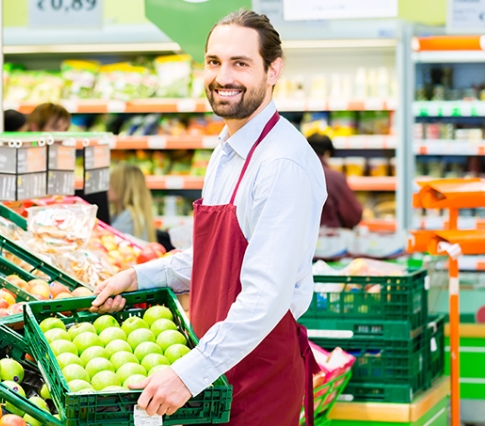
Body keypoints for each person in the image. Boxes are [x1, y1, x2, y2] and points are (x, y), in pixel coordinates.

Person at [91, 9, 327, 426]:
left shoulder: (282, 164)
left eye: (241, 63)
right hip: (214, 369)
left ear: (273, 71)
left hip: (257, 379)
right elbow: (216, 257)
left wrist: (187, 374)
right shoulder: (225, 151)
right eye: (214, 62)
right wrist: (139, 276)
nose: (224, 77)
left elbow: (264, 297)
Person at [307, 133, 363, 229]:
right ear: (327, 153)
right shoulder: (336, 178)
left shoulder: (294, 174)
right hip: (330, 239)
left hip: (300, 239)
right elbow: (352, 215)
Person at [108, 163, 157, 242]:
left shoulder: (130, 216)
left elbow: (107, 239)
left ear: (121, 187)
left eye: (110, 183)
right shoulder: (130, 213)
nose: (107, 187)